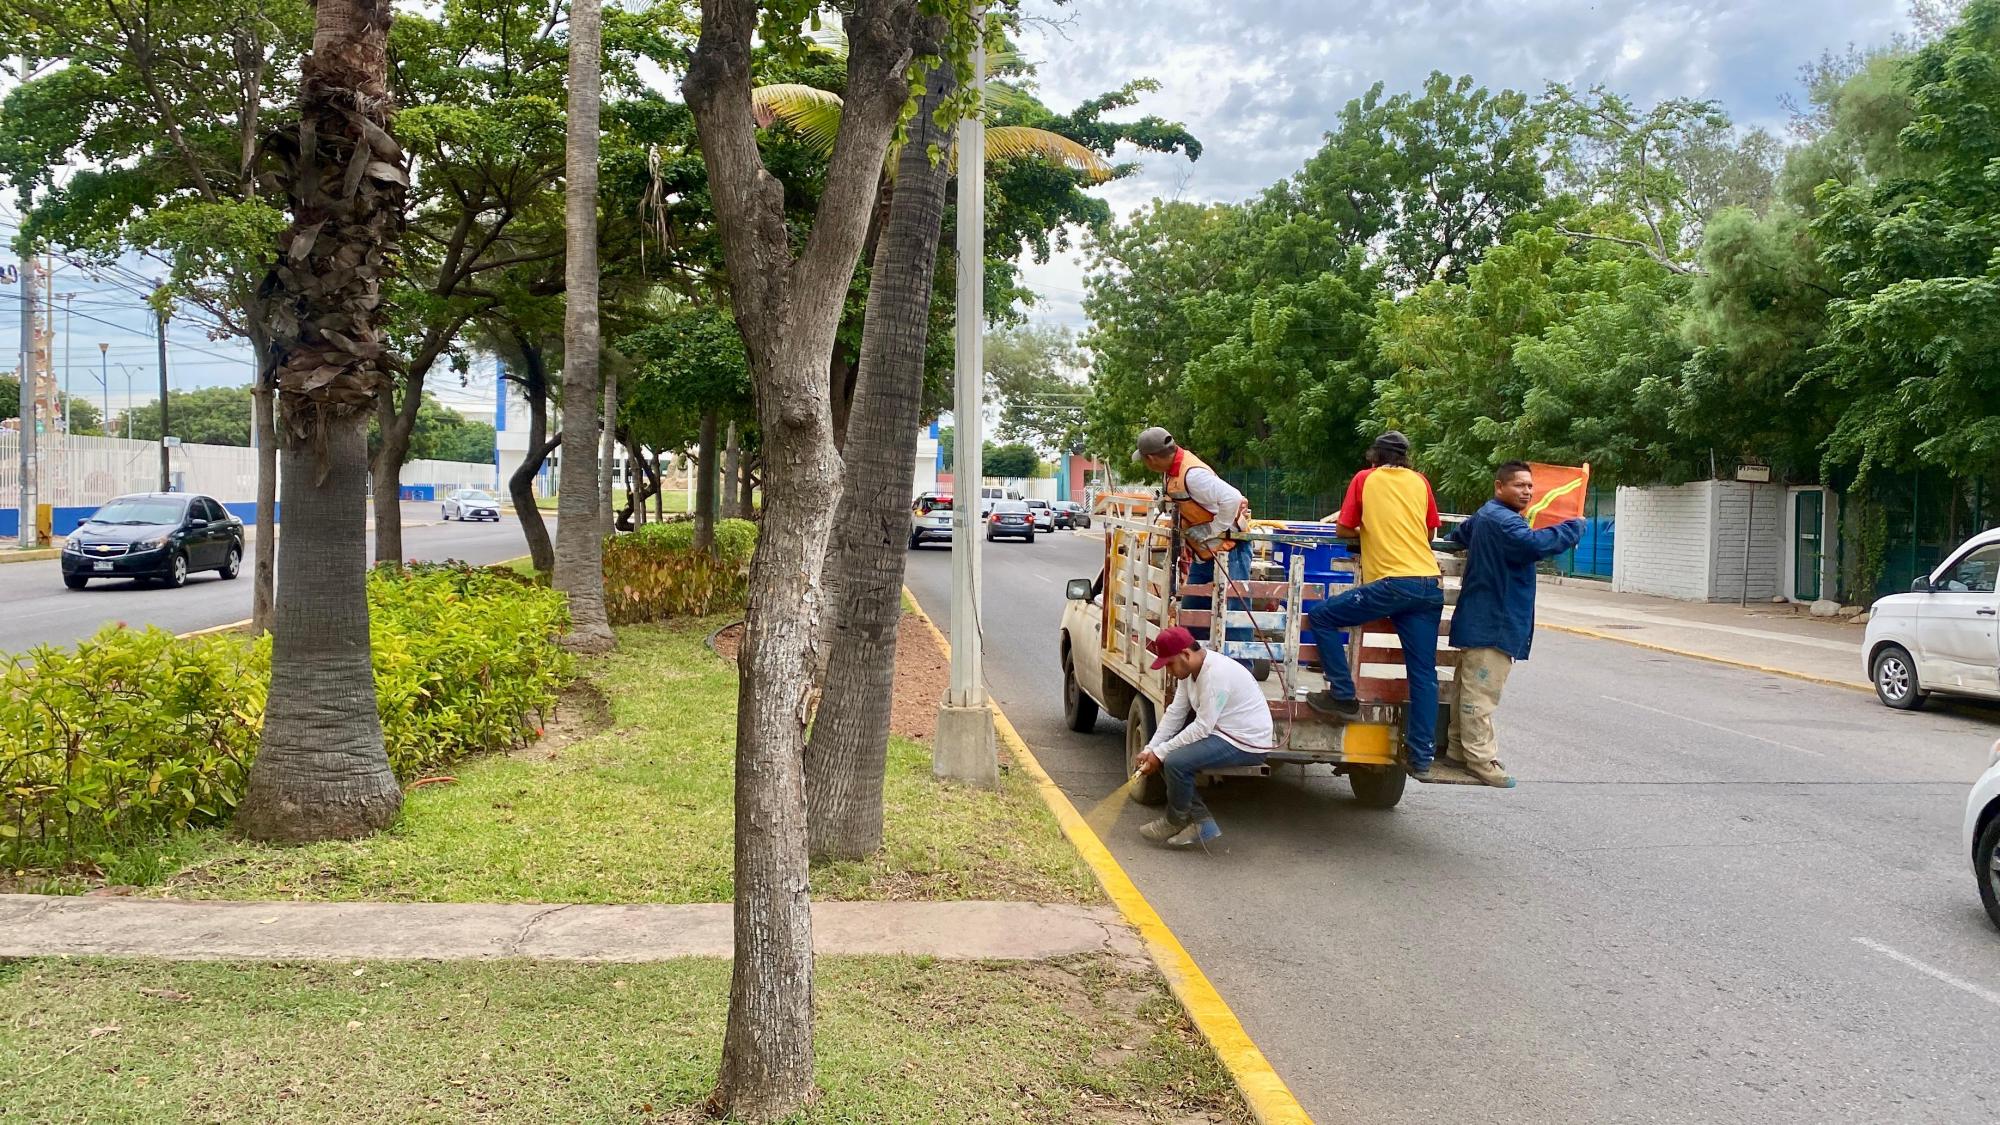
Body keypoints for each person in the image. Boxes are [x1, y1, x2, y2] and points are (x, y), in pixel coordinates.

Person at [1304, 431, 1445, 778]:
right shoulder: (1420, 481)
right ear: (1407, 458)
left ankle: (1343, 695)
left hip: (1392, 585)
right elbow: (1428, 534)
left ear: (1373, 457)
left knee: (1322, 616)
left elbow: (1342, 529)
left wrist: (1369, 532)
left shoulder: (1365, 479)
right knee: (1423, 674)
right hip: (1429, 584)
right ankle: (1422, 757)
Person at [1445, 461, 1585, 787]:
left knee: (1465, 690)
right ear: (1499, 487)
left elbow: (1457, 536)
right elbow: (1535, 545)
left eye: (1530, 486)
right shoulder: (1505, 522)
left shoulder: (1486, 516)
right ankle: (1481, 761)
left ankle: (1457, 750)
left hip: (1480, 618)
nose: (1527, 492)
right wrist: (1574, 527)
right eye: (1519, 486)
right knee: (1480, 697)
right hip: (1494, 623)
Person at [1134, 626, 1273, 848]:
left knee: (1175, 761)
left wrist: (1161, 753)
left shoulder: (1215, 673)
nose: (1169, 671)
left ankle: (1175, 820)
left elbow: (1202, 727)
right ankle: (1201, 822)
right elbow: (1175, 713)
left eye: (1169, 664)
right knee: (1164, 755)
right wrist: (1152, 748)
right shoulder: (1188, 672)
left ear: (1186, 654)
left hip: (1247, 742)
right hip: (1223, 733)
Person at [1135, 427, 1251, 653]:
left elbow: (1233, 498)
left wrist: (1213, 528)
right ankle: (1196, 663)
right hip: (1205, 552)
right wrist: (1167, 502)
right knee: (1192, 611)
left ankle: (1240, 666)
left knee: (1231, 611)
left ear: (1151, 458)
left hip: (1230, 550)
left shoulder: (1193, 474)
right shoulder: (1172, 470)